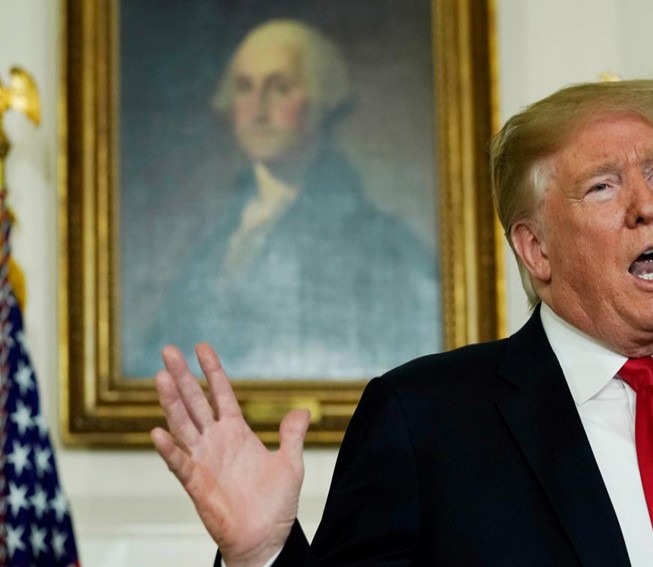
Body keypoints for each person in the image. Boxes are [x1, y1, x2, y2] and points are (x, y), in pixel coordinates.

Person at [152, 79, 653, 567]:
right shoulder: (426, 423)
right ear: (536, 251)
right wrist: (262, 559)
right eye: (603, 185)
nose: (646, 206)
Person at [128, 19, 440, 380]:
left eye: (279, 88)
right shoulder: (216, 236)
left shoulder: (384, 245)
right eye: (244, 87)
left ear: (321, 101)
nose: (258, 108)